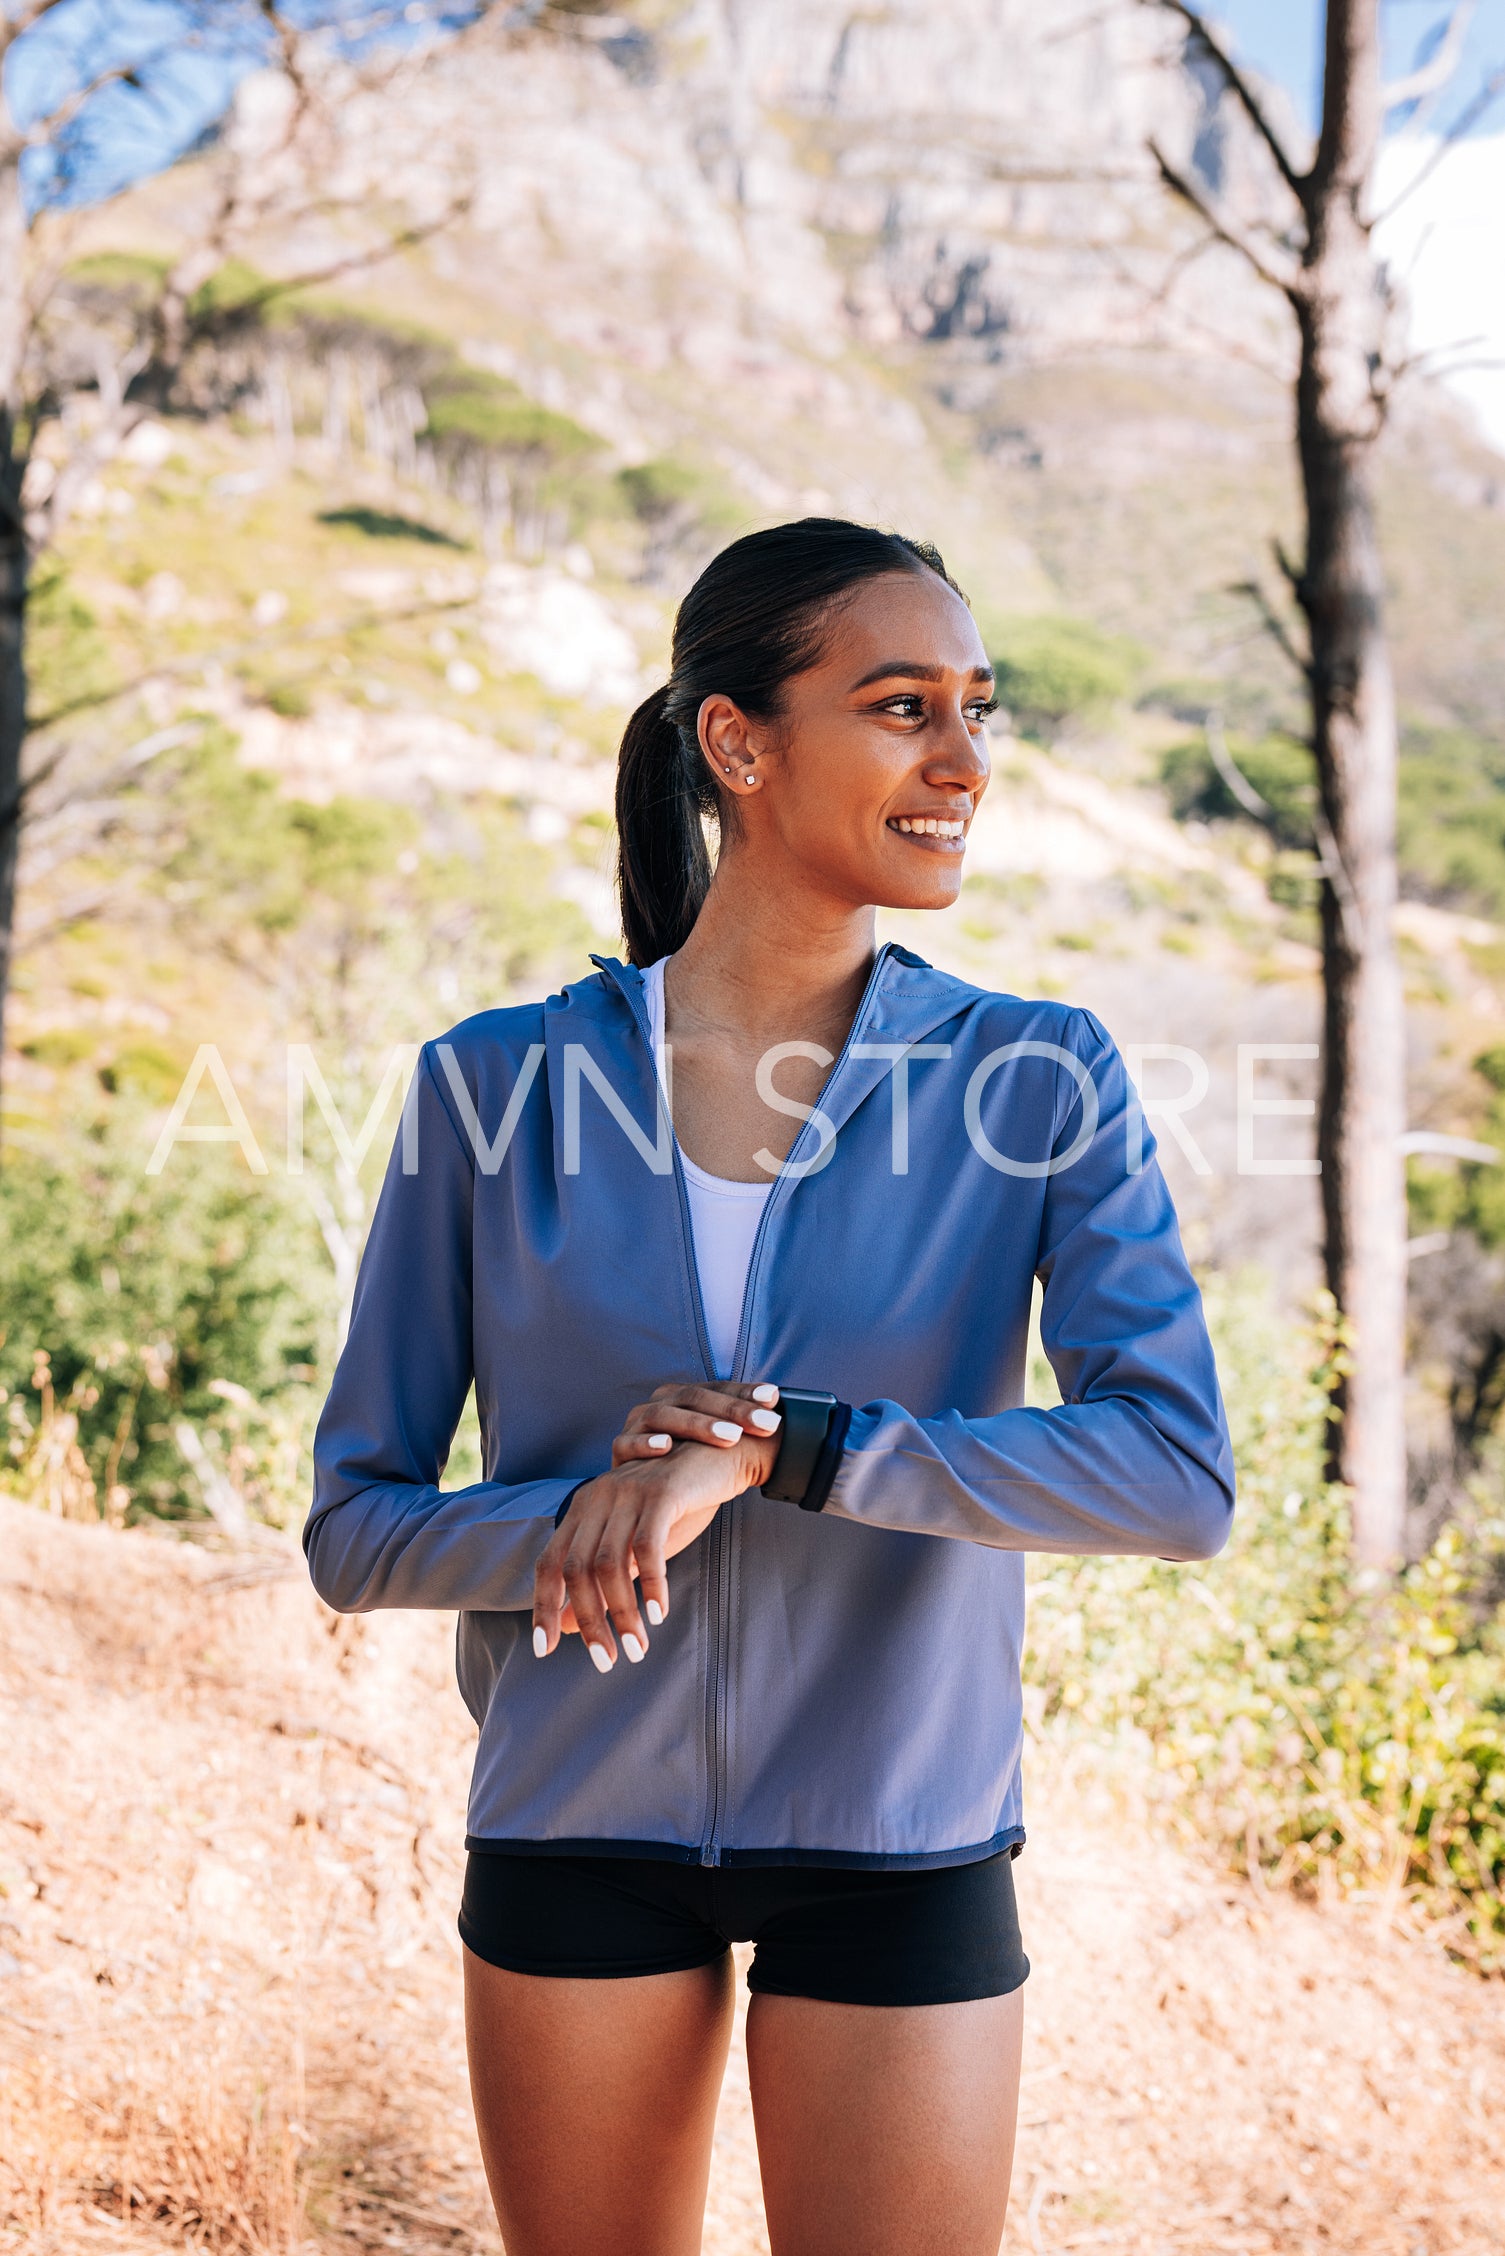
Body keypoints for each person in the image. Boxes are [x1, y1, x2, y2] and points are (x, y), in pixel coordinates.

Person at [306, 518, 1234, 2256]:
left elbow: (1174, 1473)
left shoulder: (1038, 1076)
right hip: (578, 1824)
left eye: (977, 711)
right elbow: (357, 1526)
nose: (961, 763)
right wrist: (568, 1525)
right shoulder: (492, 1088)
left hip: (902, 1836)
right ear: (735, 741)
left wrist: (781, 1450)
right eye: (901, 709)